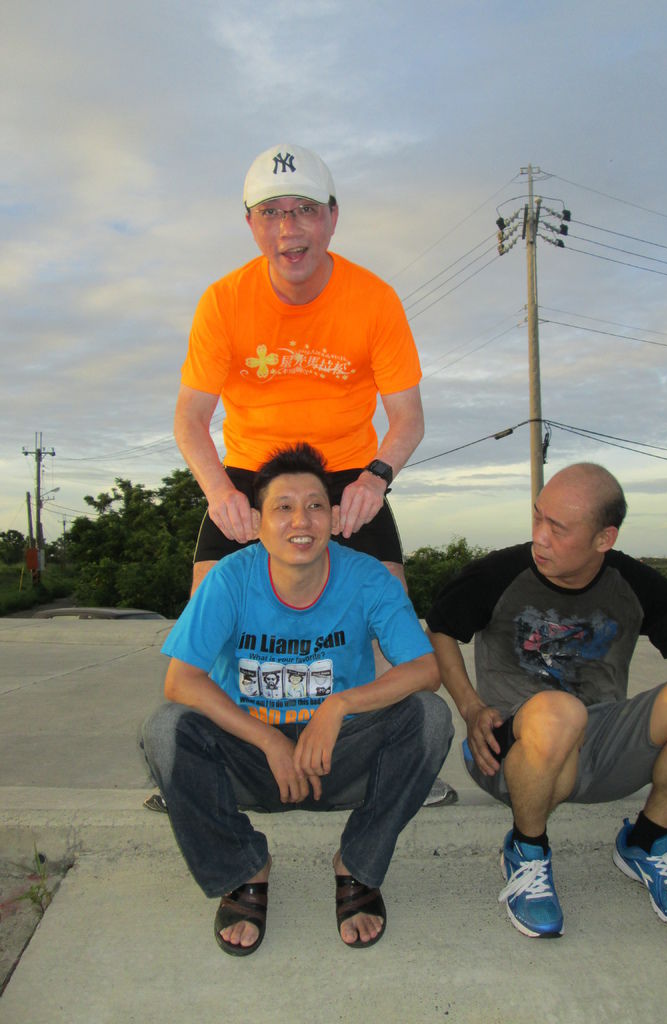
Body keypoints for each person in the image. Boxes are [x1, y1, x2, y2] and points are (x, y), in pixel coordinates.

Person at [144, 141, 456, 810]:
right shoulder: (223, 301)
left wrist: (375, 479)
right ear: (251, 223)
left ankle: (391, 765)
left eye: (306, 210)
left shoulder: (374, 298)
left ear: (333, 218)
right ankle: (204, 768)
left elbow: (407, 419)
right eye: (272, 212)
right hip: (251, 476)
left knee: (391, 614)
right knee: (207, 614)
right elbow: (189, 421)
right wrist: (221, 494)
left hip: (347, 475)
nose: (290, 228)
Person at [425, 463, 667, 938]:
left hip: (602, 746)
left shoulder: (635, 585)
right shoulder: (497, 574)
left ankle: (646, 843)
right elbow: (441, 629)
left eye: (558, 528)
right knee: (558, 711)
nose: (539, 537)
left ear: (604, 539)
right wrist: (470, 707)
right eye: (538, 517)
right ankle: (527, 850)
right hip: (512, 749)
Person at [141, 444, 453, 955]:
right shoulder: (230, 578)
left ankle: (357, 865)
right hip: (251, 764)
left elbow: (426, 671)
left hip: (336, 758)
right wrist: (269, 741)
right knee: (165, 728)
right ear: (258, 522)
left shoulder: (367, 577)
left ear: (335, 518)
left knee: (430, 718)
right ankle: (245, 868)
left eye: (315, 506)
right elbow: (182, 681)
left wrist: (338, 707)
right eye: (282, 507)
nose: (300, 521)